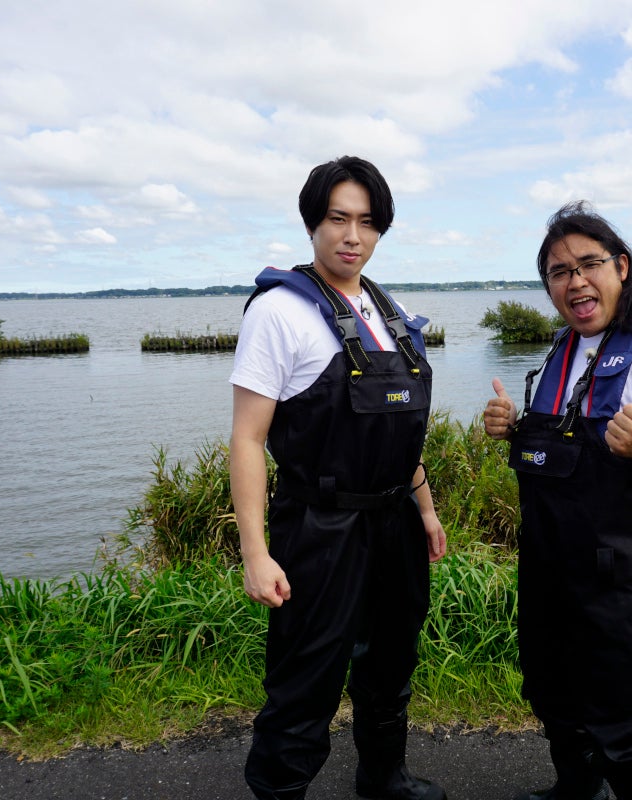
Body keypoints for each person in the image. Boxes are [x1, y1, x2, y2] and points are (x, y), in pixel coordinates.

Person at [229, 156, 447, 800]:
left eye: (368, 223)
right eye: (338, 219)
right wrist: (255, 551)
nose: (353, 236)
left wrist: (426, 511)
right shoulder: (278, 313)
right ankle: (280, 791)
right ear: (312, 223)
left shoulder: (390, 309)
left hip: (395, 521)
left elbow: (397, 436)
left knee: (390, 665)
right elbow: (246, 438)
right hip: (320, 528)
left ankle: (384, 779)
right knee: (307, 677)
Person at [483, 202, 632, 800]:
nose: (575, 280)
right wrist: (513, 426)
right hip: (553, 572)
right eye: (559, 271)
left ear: (623, 267)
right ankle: (576, 789)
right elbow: (557, 454)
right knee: (558, 697)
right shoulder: (563, 349)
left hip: (629, 582)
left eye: (589, 264)